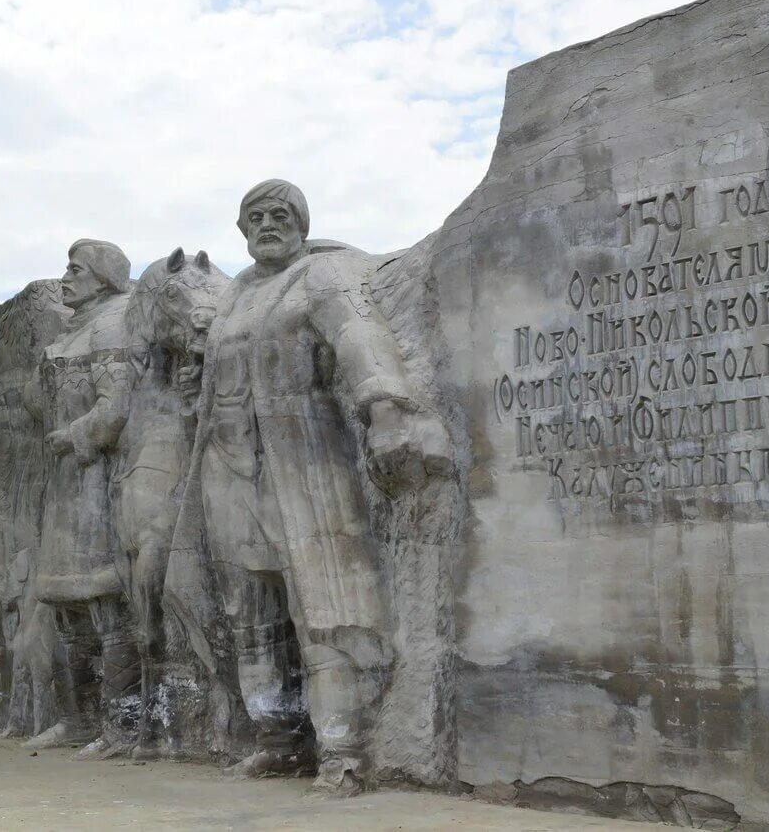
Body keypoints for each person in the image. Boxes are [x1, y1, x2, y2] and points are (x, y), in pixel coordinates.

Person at [175, 180, 453, 793]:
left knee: (323, 610)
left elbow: (360, 339)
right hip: (229, 469)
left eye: (280, 214)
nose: (267, 224)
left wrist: (384, 406)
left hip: (304, 462)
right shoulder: (232, 299)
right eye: (255, 216)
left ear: (301, 223)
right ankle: (277, 740)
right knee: (249, 609)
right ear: (241, 230)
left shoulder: (318, 278)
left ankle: (342, 750)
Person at [26, 239, 139, 757]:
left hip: (100, 482)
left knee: (106, 605)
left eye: (75, 270)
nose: (66, 278)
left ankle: (122, 727)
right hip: (66, 487)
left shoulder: (114, 325)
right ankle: (77, 720)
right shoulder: (74, 330)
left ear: (104, 279)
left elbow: (116, 407)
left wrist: (74, 436)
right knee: (69, 609)